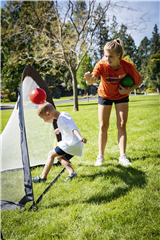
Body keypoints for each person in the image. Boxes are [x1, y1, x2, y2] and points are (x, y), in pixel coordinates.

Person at [84, 39, 142, 167]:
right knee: (103, 126)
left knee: (122, 124)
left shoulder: (127, 66)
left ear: (118, 56)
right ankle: (100, 156)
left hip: (121, 95)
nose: (107, 59)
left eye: (111, 56)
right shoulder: (101, 64)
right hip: (105, 95)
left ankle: (123, 156)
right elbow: (92, 79)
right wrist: (89, 80)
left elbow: (139, 81)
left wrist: (128, 90)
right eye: (105, 55)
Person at [32, 102, 87, 182]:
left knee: (51, 154)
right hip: (73, 143)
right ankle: (72, 173)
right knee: (59, 156)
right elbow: (67, 126)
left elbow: (72, 128)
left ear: (48, 114)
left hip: (72, 143)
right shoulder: (62, 114)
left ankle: (42, 177)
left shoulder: (62, 118)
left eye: (44, 119)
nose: (44, 121)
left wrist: (80, 137)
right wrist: (60, 129)